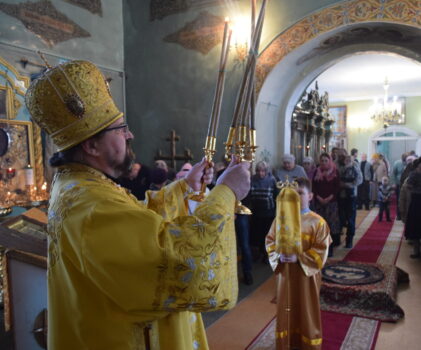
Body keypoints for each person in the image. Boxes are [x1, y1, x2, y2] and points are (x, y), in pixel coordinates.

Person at [25, 60, 251, 350]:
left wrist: (184, 187)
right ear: (91, 146)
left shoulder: (79, 184)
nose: (130, 135)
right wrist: (226, 192)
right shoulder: (88, 203)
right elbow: (180, 261)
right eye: (120, 129)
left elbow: (135, 222)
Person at [266, 177, 331, 350]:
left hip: (306, 276)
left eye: (300, 193)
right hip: (285, 275)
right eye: (293, 193)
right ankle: (286, 343)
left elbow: (321, 250)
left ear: (310, 196)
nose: (296, 196)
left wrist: (299, 258)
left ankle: (308, 343)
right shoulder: (280, 220)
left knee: (307, 309)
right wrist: (278, 256)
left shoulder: (318, 222)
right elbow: (270, 241)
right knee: (286, 307)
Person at [249, 161, 278, 263]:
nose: (260, 173)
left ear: (266, 171)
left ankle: (267, 255)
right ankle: (258, 254)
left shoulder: (272, 180)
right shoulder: (252, 179)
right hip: (256, 212)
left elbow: (276, 196)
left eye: (263, 171)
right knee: (256, 235)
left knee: (267, 235)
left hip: (268, 213)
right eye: (258, 171)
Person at [312, 153, 340, 256]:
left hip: (331, 202)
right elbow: (313, 187)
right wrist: (318, 197)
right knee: (320, 225)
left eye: (326, 160)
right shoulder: (317, 171)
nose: (323, 162)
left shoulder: (335, 172)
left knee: (330, 225)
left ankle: (330, 248)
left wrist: (328, 198)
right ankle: (321, 247)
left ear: (329, 161)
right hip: (319, 202)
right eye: (322, 160)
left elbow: (337, 187)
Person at [338, 154, 362, 248]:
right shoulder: (341, 169)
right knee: (342, 217)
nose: (347, 160)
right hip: (341, 196)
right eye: (346, 159)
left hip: (351, 196)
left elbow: (359, 180)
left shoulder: (355, 168)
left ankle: (349, 240)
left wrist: (347, 185)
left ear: (352, 160)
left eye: (349, 159)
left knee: (351, 218)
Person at [399, 158, 421, 258]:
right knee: (415, 227)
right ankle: (416, 250)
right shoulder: (413, 175)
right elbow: (406, 189)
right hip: (416, 203)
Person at [392, 153, 408, 220]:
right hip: (399, 184)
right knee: (399, 200)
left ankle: (405, 215)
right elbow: (394, 174)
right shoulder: (397, 163)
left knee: (407, 200)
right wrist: (394, 183)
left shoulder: (409, 163)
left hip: (407, 185)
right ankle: (399, 215)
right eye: (403, 158)